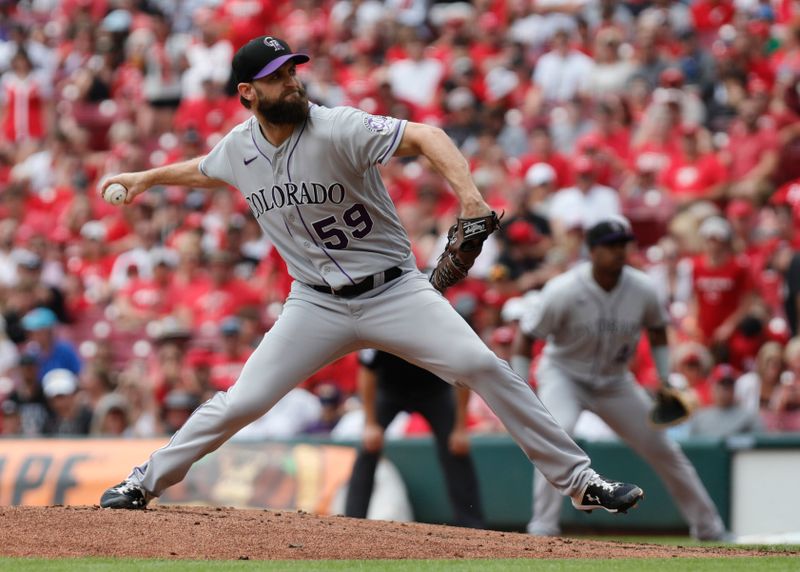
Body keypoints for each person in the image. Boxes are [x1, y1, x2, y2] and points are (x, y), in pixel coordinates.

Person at [98, 35, 643, 514]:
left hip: (396, 290)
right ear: (247, 92)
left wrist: (470, 198)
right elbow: (202, 170)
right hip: (314, 304)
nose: (291, 82)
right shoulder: (239, 148)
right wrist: (146, 178)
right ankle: (144, 484)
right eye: (275, 77)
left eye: (291, 71)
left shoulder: (339, 127)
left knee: (482, 364)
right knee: (242, 401)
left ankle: (580, 481)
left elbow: (427, 135)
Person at [511, 216, 727, 541]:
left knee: (664, 449)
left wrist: (665, 379)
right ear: (592, 250)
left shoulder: (642, 288)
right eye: (611, 245)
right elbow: (526, 337)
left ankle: (710, 529)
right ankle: (543, 529)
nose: (619, 251)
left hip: (615, 381)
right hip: (564, 375)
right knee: (557, 438)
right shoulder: (564, 289)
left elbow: (657, 330)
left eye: (623, 244)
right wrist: (519, 383)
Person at [344, 350, 485, 529]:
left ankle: (473, 527)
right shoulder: (381, 326)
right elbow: (366, 370)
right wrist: (370, 424)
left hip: (434, 391)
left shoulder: (439, 325)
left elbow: (461, 372)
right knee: (368, 448)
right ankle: (352, 524)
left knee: (456, 448)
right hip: (390, 389)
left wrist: (460, 428)